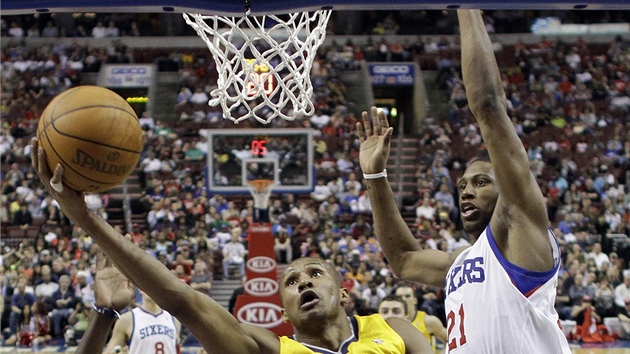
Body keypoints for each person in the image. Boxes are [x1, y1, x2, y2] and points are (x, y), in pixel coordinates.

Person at [32, 139, 433, 354]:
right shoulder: (268, 349)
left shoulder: (393, 329)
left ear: (344, 293)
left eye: (314, 273)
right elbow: (184, 300)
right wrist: (84, 217)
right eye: (291, 282)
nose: (303, 283)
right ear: (283, 311)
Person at [356, 10, 571, 353]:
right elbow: (403, 259)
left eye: (482, 181)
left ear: (507, 191)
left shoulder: (523, 231)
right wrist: (374, 175)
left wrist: (466, 8)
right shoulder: (462, 260)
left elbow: (488, 104)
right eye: (463, 185)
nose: (468, 189)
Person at [394, 285, 447, 353]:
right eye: (399, 296)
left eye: (407, 296)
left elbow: (450, 339)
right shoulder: (390, 322)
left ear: (415, 300)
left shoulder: (428, 321)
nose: (403, 299)